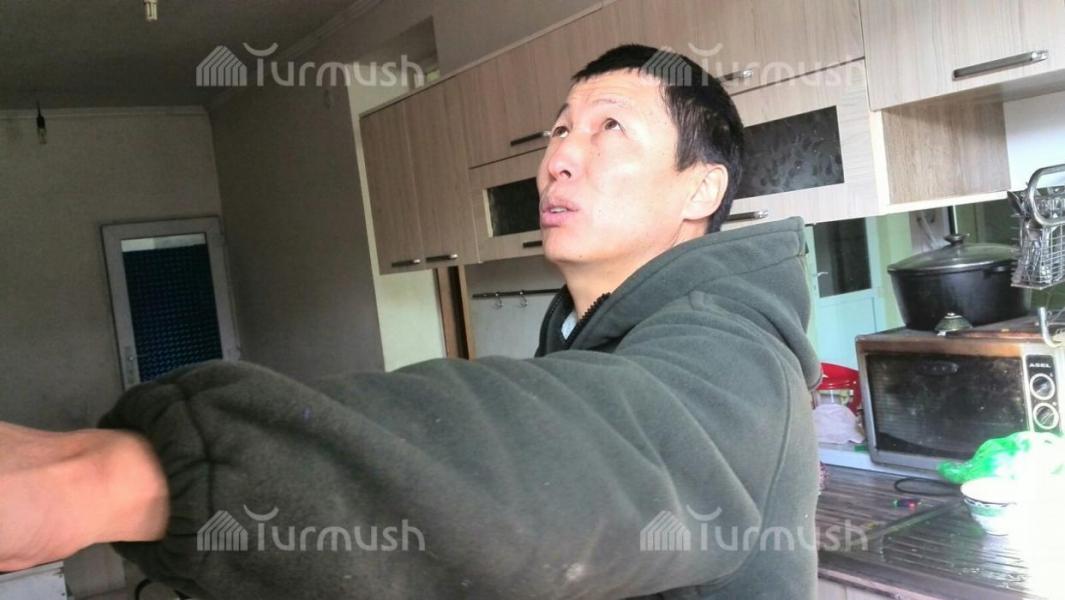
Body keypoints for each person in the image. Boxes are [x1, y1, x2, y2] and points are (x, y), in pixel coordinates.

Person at [0, 44, 820, 599]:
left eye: (609, 127)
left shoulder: (734, 353)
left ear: (700, 190)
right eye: (560, 129)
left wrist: (128, 476)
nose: (557, 158)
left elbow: (571, 462)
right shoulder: (584, 329)